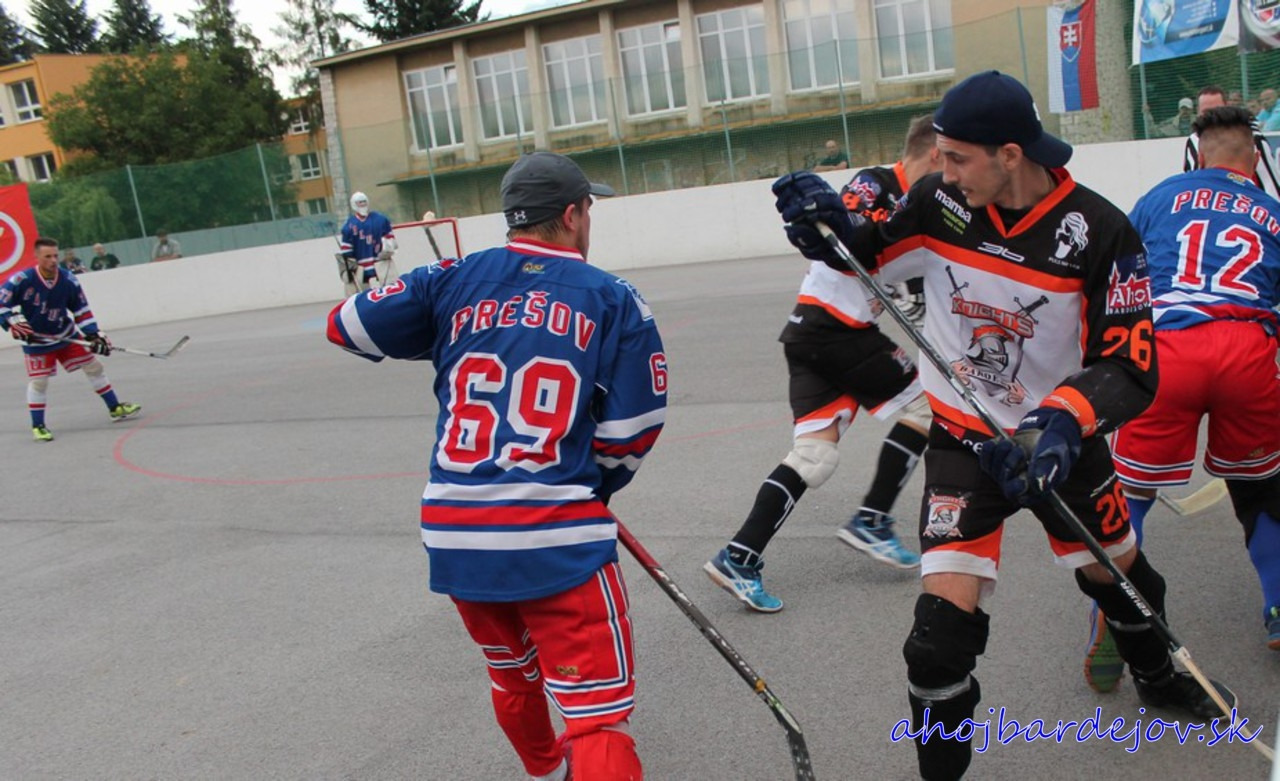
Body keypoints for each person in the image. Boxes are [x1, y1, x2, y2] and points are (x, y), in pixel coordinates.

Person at [772, 71, 1235, 779]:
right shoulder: (940, 202)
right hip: (966, 441)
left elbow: (1130, 363)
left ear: (1010, 154)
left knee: (1118, 575)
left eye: (958, 157)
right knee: (935, 645)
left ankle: (1159, 676)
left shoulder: (1100, 231)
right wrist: (824, 228)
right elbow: (864, 257)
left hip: (1059, 444)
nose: (944, 170)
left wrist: (1058, 425)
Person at [326, 151, 666, 781]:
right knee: (596, 719)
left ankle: (546, 770)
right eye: (589, 209)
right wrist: (590, 487)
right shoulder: (613, 297)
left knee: (512, 673)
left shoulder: (450, 279)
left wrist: (448, 323)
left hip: (455, 532)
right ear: (573, 215)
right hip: (556, 535)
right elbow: (631, 434)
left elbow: (345, 325)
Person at [703, 114, 942, 613]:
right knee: (926, 407)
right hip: (838, 330)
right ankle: (872, 519)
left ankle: (739, 555)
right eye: (951, 163)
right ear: (935, 154)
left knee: (814, 456)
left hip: (811, 333)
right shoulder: (876, 183)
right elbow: (842, 229)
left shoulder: (923, 205)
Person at [1108, 106, 1280, 658]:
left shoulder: (1161, 196)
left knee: (1130, 491)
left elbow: (1119, 272)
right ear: (1254, 156)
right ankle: (1278, 606)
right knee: (1261, 489)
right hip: (1246, 350)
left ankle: (1115, 608)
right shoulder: (1271, 210)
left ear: (1198, 153)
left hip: (1169, 349)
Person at [0, 237, 142, 441]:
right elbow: (2, 303)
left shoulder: (68, 279)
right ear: (37, 256)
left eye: (55, 256)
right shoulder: (22, 279)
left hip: (66, 335)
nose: (53, 260)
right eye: (47, 256)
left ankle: (115, 408)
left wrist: (94, 334)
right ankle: (38, 426)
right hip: (37, 341)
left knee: (94, 367)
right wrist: (13, 322)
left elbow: (81, 309)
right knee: (39, 382)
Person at [338, 191, 396, 291]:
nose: (362, 204)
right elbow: (391, 244)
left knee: (361, 297)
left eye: (363, 202)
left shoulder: (348, 225)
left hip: (366, 267)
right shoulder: (381, 219)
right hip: (375, 265)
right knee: (390, 292)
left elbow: (347, 253)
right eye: (360, 202)